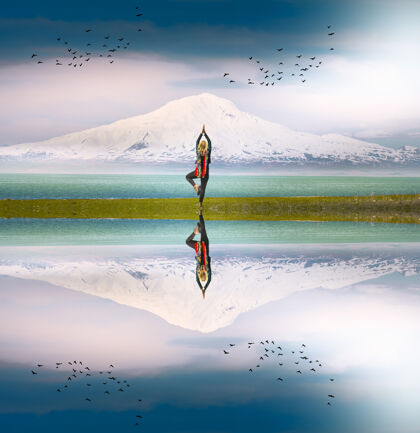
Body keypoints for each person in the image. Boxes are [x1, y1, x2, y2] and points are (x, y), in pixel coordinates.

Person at [185, 213, 212, 298]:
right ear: (200, 275)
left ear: (206, 275)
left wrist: (205, 288)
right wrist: (201, 289)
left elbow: (209, 280)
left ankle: (200, 214)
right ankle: (195, 232)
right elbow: (197, 280)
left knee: (204, 230)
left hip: (205, 246)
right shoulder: (198, 270)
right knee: (187, 242)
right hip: (198, 247)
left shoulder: (207, 270)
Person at [186, 125, 212, 207]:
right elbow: (210, 142)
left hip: (198, 172)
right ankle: (200, 203)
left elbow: (197, 141)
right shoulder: (208, 152)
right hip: (206, 173)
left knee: (188, 177)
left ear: (200, 145)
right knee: (203, 188)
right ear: (206, 146)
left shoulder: (198, 151)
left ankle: (195, 186)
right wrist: (205, 134)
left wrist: (201, 133)